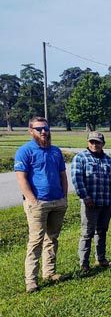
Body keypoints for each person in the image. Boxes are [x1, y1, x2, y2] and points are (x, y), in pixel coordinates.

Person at [14, 117, 68, 293]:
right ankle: (31, 280)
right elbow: (21, 179)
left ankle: (50, 272)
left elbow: (62, 175)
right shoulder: (25, 151)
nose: (43, 131)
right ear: (31, 131)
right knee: (36, 241)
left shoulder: (55, 151)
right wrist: (32, 200)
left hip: (57, 201)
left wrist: (64, 197)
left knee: (52, 238)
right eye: (39, 129)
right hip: (38, 203)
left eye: (45, 128)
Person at [71, 132, 111, 273]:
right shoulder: (80, 158)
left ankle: (101, 259)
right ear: (87, 143)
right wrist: (85, 197)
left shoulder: (109, 161)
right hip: (90, 204)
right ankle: (84, 264)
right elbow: (77, 180)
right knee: (87, 233)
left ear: (103, 144)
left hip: (106, 202)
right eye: (91, 142)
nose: (94, 145)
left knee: (102, 231)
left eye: (97, 142)